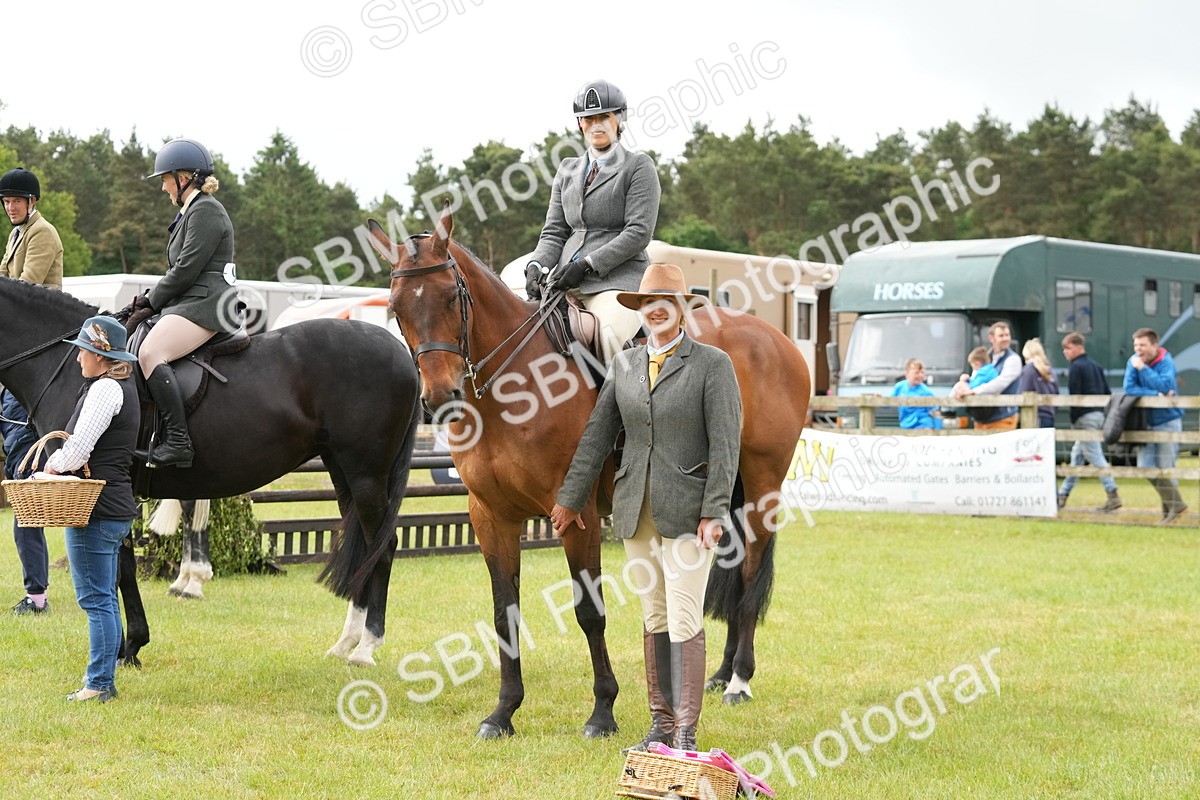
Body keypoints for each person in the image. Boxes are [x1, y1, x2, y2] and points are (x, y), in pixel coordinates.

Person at [550, 264, 741, 753]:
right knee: (653, 616)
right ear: (640, 310)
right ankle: (659, 722)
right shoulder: (625, 365)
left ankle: (685, 731)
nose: (657, 309)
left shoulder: (712, 364)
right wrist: (570, 499)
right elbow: (597, 435)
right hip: (635, 509)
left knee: (683, 618)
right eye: (648, 302)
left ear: (680, 310)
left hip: (689, 512)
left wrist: (716, 510)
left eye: (666, 302)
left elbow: (725, 445)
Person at [525, 79, 662, 362]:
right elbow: (554, 231)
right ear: (580, 124)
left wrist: (587, 265)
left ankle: (623, 404)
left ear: (619, 120)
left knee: (608, 336)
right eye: (589, 118)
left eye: (604, 117)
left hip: (617, 282)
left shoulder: (638, 167)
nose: (596, 125)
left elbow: (638, 232)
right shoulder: (567, 170)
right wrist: (537, 264)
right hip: (564, 281)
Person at [42, 316, 141, 702]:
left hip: (96, 509)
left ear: (101, 356)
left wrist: (51, 466)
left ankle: (99, 684)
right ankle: (102, 681)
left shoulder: (104, 391)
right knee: (104, 597)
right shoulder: (123, 387)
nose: (79, 357)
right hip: (113, 506)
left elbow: (79, 449)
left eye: (84, 350)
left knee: (96, 600)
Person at [138, 138, 242, 468]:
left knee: (150, 353)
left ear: (185, 177)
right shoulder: (190, 212)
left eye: (167, 178)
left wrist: (151, 300)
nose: (164, 186)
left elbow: (185, 270)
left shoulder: (206, 210)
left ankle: (179, 442)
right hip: (190, 302)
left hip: (207, 304)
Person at [1, 166, 63, 615]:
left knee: (23, 474)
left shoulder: (42, 235)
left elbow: (21, 292)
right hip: (19, 364)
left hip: (44, 359)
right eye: (5, 202)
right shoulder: (16, 235)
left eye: (16, 201)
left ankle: (37, 594)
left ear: (32, 202)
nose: (10, 207)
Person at [1124, 328, 1187, 523]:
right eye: (1136, 345)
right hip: (1145, 422)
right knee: (1145, 467)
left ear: (1154, 345)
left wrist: (1143, 369)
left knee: (1166, 468)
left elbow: (1165, 385)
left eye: (1142, 345)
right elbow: (1129, 388)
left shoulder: (1166, 362)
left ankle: (1169, 514)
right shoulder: (1133, 361)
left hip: (1167, 421)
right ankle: (1177, 506)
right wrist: (1154, 396)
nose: (1138, 349)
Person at [1057, 332, 1121, 511]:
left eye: (1068, 348)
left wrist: (1074, 419)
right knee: (1077, 457)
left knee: (1094, 455)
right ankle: (1063, 495)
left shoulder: (1076, 367)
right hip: (1099, 415)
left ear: (1078, 347)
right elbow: (1107, 391)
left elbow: (1074, 395)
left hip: (1085, 417)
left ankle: (1112, 492)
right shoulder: (1096, 366)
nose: (1065, 352)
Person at [952, 322, 1022, 430]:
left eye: (1007, 335)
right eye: (1001, 336)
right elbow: (977, 378)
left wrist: (974, 391)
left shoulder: (1013, 359)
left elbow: (1000, 383)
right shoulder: (984, 357)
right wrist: (966, 381)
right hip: (981, 417)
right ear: (991, 338)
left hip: (1002, 417)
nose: (1005, 338)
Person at [1017, 338, 1060, 428]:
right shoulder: (1050, 370)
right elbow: (1056, 393)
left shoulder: (1028, 370)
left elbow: (1023, 392)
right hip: (1049, 415)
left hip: (1034, 416)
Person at [890, 359, 941, 429]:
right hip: (905, 426)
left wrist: (937, 432)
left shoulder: (926, 392)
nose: (921, 375)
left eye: (922, 372)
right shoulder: (899, 387)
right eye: (916, 373)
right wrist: (879, 398)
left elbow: (935, 412)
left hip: (923, 426)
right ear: (907, 374)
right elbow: (887, 404)